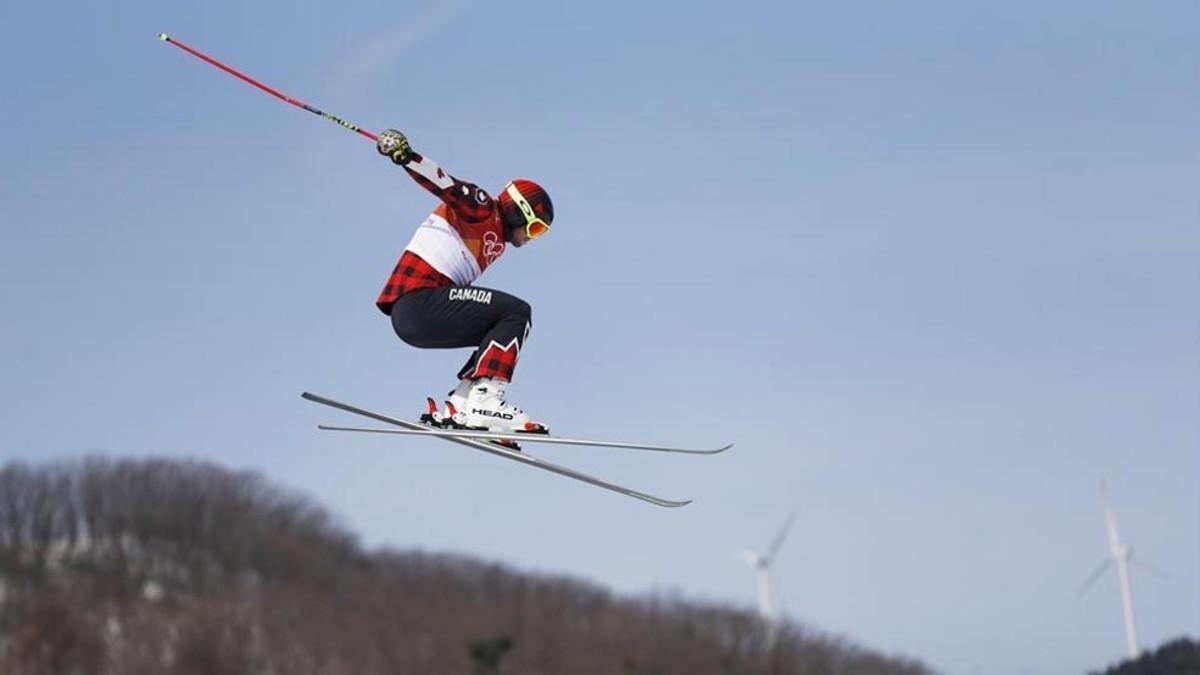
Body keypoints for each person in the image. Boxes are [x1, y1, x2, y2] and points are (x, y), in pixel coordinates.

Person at [373, 128, 554, 434]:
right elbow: (446, 185)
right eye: (534, 228)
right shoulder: (484, 209)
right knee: (517, 312)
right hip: (418, 301)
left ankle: (463, 403)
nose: (531, 238)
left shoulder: (496, 238)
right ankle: (487, 401)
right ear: (518, 211)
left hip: (420, 314)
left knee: (497, 325)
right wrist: (407, 157)